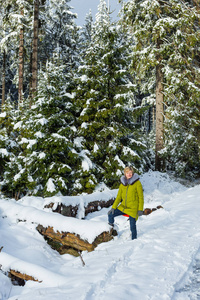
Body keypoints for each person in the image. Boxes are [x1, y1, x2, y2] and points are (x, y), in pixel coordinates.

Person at [108, 166, 144, 240]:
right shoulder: (122, 184)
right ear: (125, 174)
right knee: (110, 214)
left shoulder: (137, 183)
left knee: (132, 226)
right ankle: (112, 232)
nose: (129, 174)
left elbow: (141, 197)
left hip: (133, 208)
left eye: (130, 173)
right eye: (127, 173)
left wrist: (140, 209)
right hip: (123, 207)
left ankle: (134, 240)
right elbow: (118, 197)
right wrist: (113, 207)